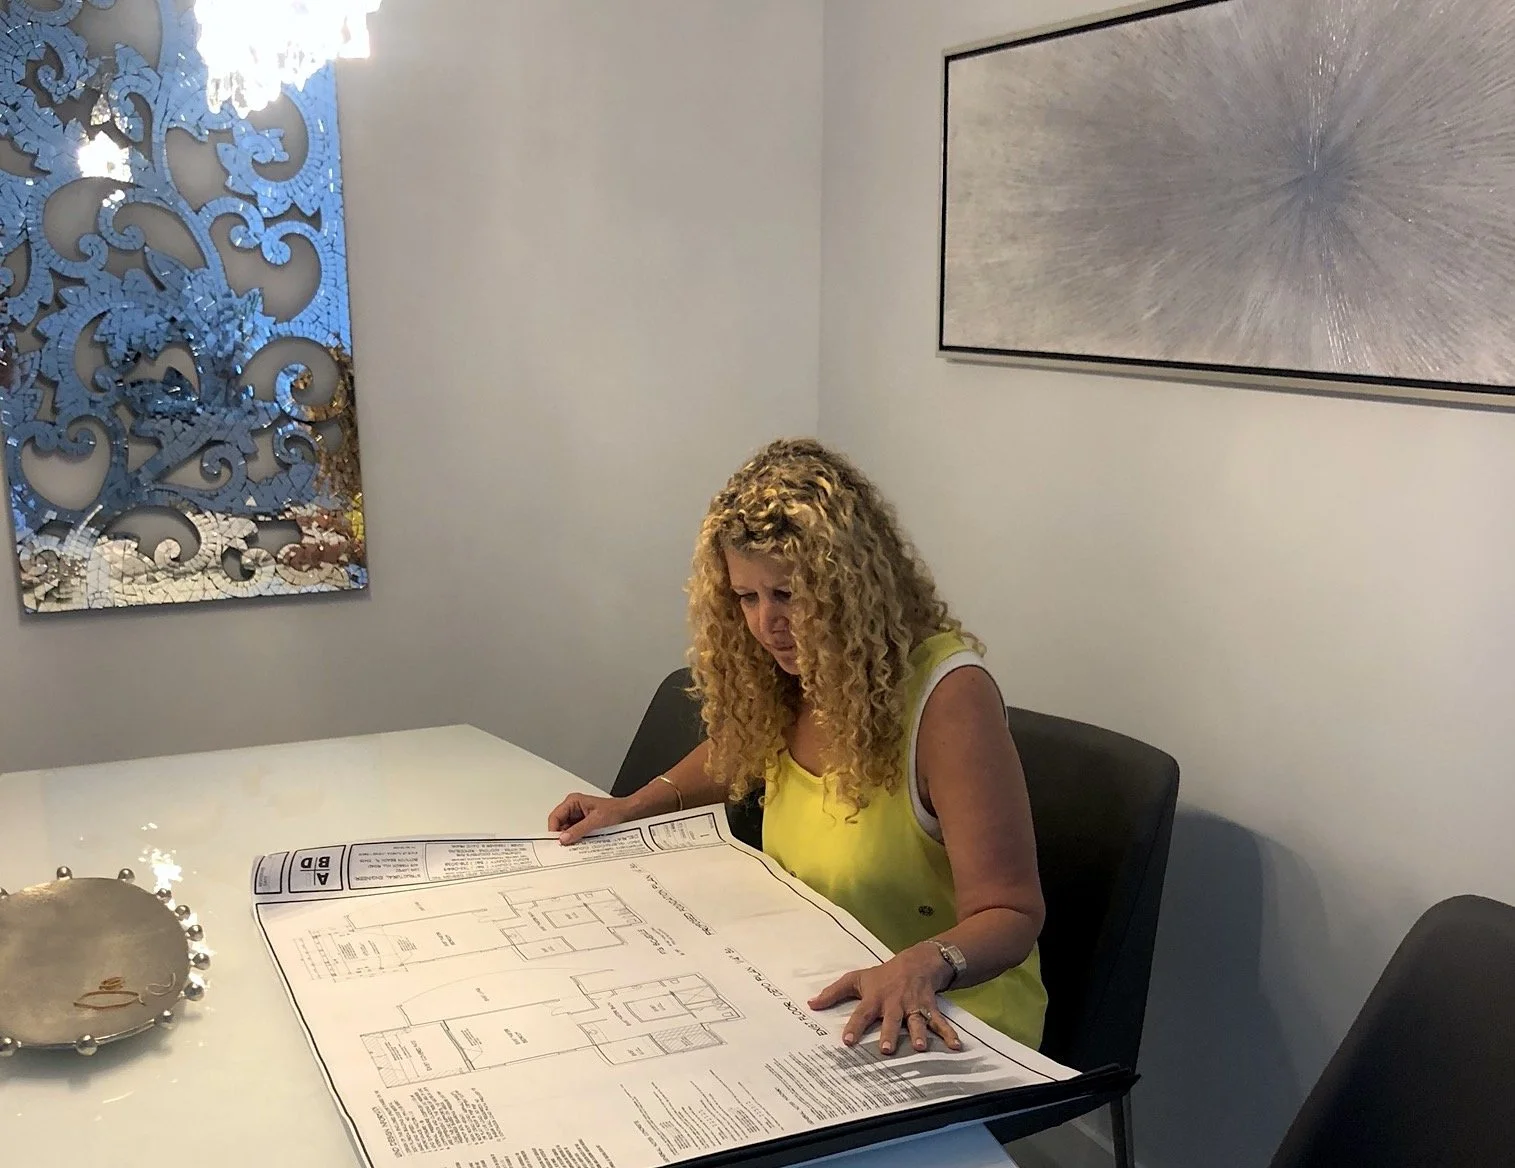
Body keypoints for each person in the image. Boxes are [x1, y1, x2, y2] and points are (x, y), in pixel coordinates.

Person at [548, 438, 1046, 1056]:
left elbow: (1012, 915)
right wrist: (630, 805)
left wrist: (926, 961)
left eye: (787, 595)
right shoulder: (795, 673)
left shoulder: (948, 700)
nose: (764, 624)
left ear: (850, 586)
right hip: (816, 993)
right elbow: (736, 747)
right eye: (746, 598)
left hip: (944, 1011)